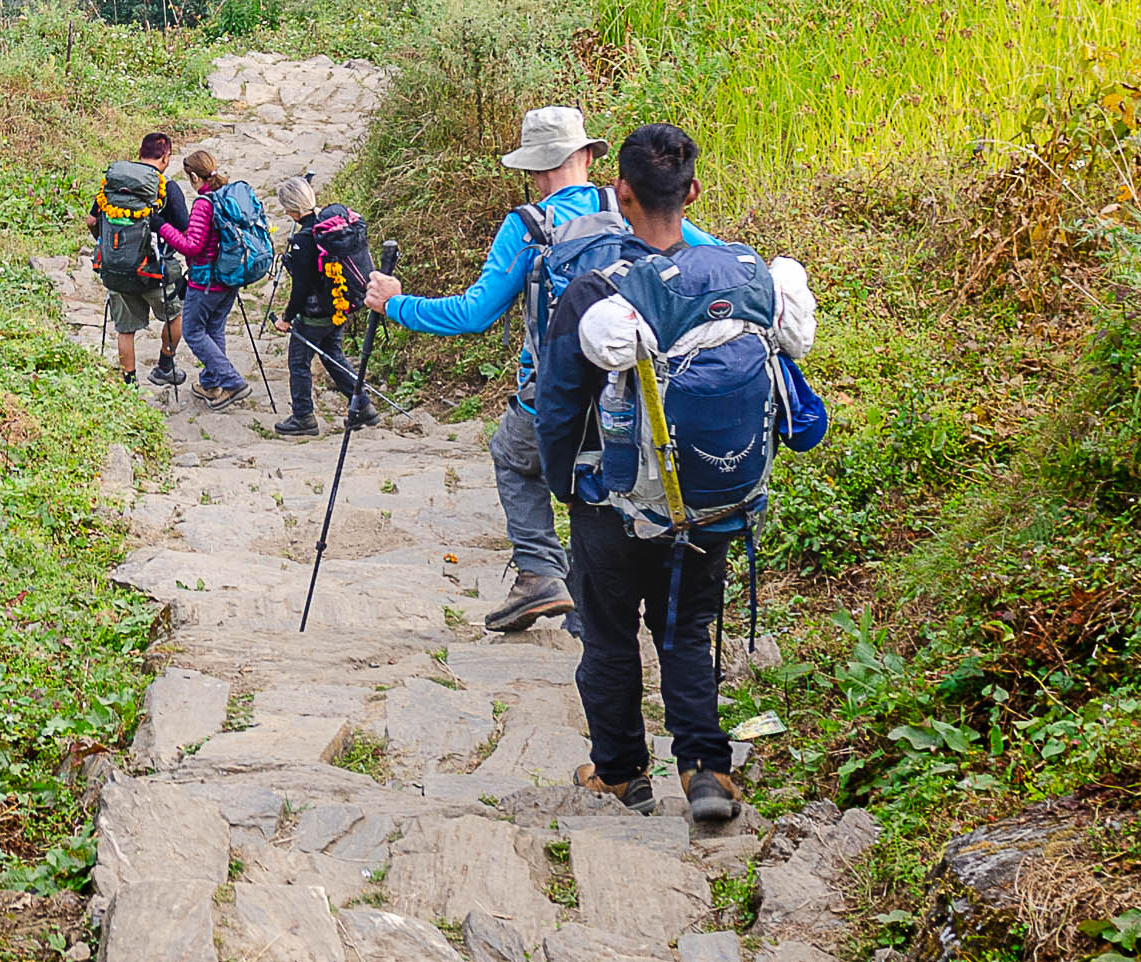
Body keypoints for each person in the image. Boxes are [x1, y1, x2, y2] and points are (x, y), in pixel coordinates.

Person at [532, 122, 814, 827]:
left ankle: (623, 774)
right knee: (686, 630)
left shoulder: (598, 289)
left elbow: (560, 404)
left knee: (608, 633)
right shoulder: (742, 276)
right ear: (691, 192)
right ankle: (706, 771)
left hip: (616, 501)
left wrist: (565, 482)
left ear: (620, 193)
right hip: (712, 497)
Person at [360, 106, 710, 635]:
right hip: (644, 394)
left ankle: (539, 574)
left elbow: (473, 314)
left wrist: (396, 304)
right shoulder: (632, 205)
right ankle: (592, 604)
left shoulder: (529, 226)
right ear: (589, 156)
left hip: (558, 397)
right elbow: (714, 257)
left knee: (512, 455)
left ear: (532, 169)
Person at [271, 175, 378, 437]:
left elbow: (301, 289)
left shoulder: (304, 240)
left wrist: (286, 318)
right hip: (338, 308)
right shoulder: (327, 229)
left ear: (292, 210)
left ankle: (303, 417)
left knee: (298, 361)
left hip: (315, 315)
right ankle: (363, 407)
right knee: (334, 357)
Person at [159, 149, 250, 410]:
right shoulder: (227, 196)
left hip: (206, 279)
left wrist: (162, 227)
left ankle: (232, 382)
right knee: (214, 329)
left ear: (195, 178)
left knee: (194, 332)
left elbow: (191, 246)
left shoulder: (204, 203)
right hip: (229, 278)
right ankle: (211, 384)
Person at [96, 131, 189, 386]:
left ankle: (129, 383)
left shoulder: (113, 183)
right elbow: (185, 229)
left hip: (116, 268)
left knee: (125, 328)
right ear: (166, 157)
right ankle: (165, 365)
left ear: (139, 153)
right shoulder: (166, 186)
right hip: (154, 271)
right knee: (175, 316)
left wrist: (106, 248)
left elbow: (93, 220)